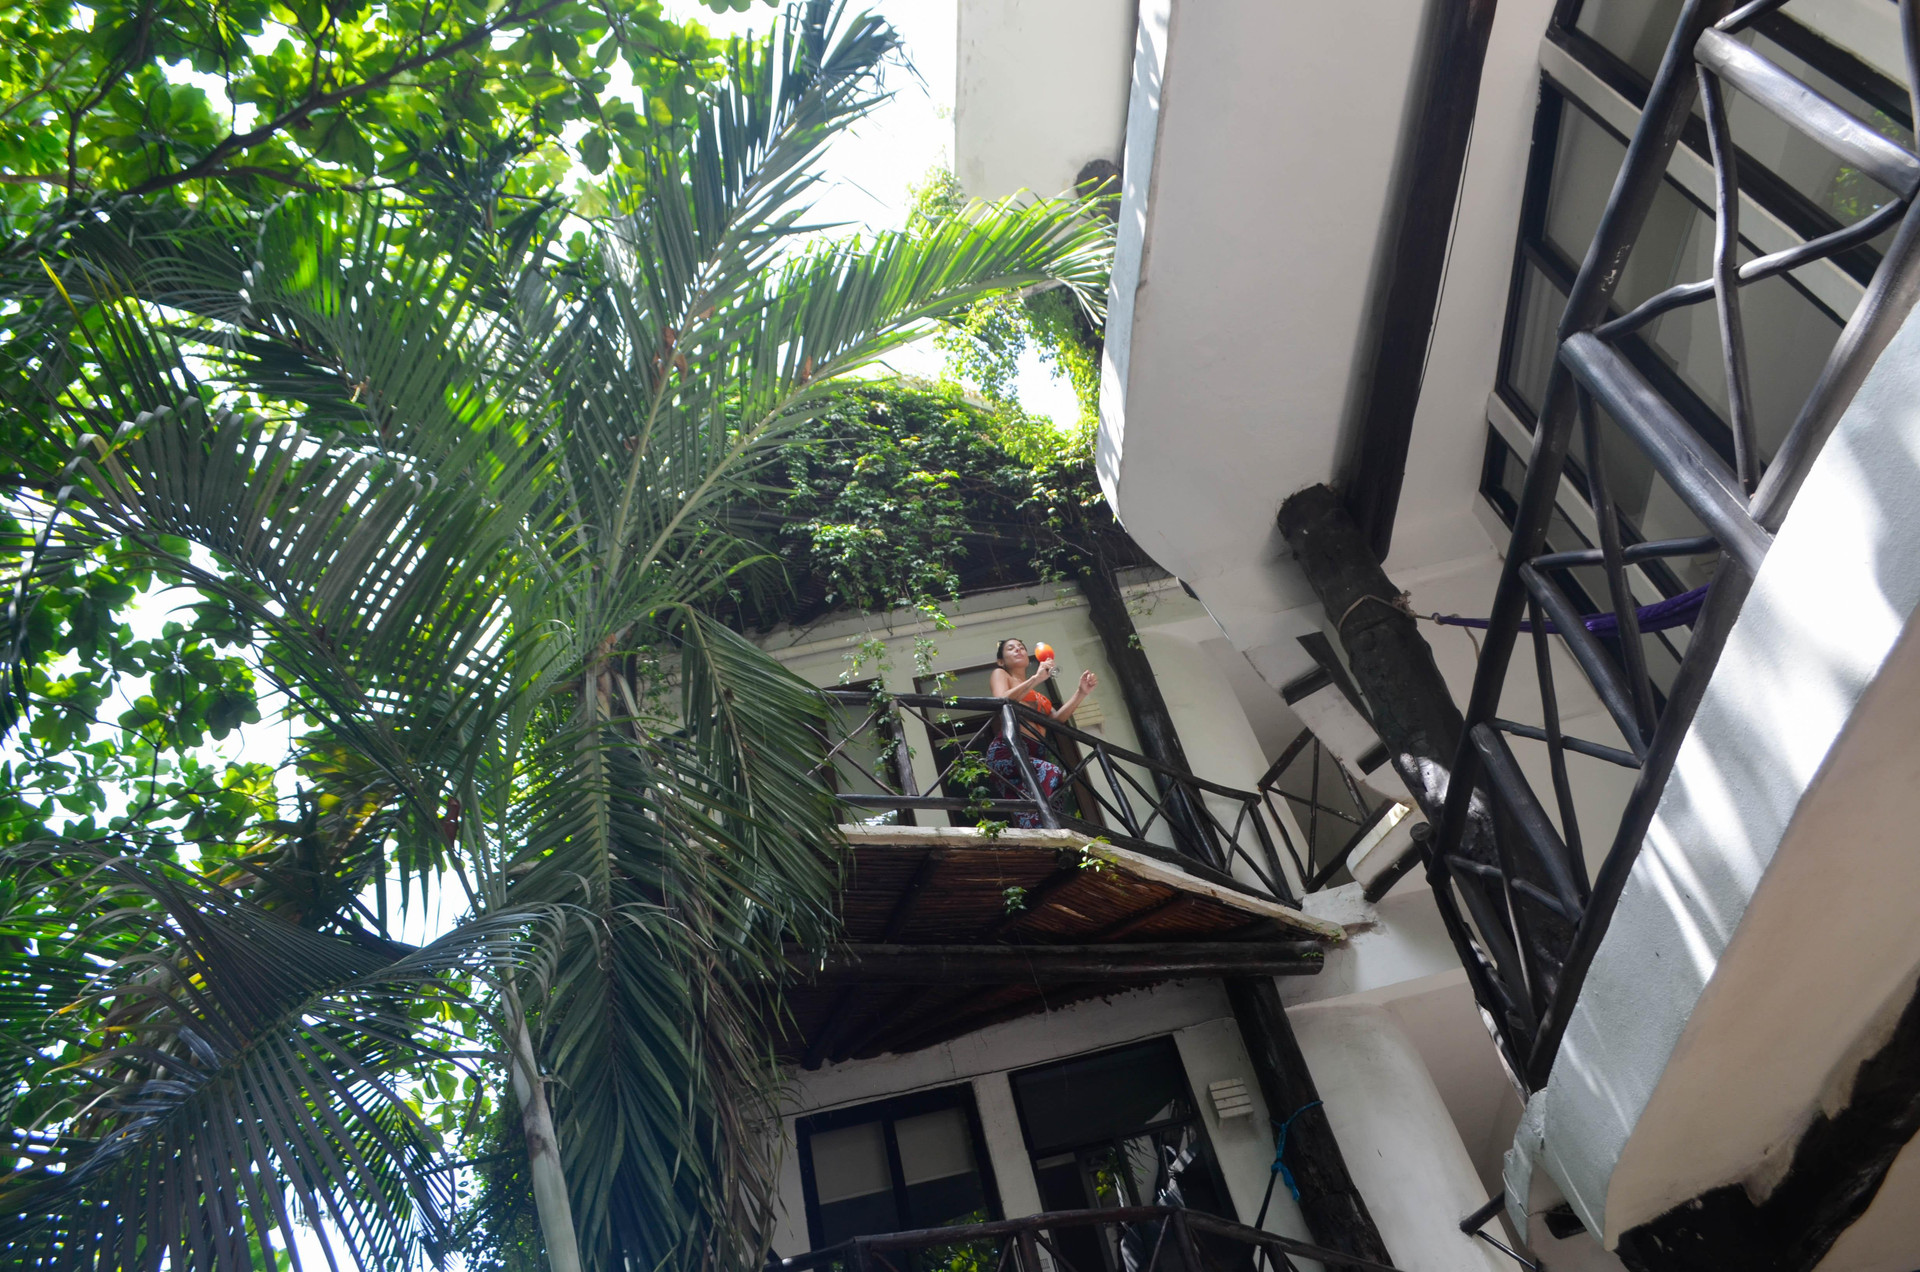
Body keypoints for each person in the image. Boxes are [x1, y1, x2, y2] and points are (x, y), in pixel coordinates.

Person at [984, 638, 1099, 828]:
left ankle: (1048, 830)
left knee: (1051, 793)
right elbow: (1001, 699)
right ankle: (1038, 830)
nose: (1018, 650)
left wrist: (1081, 692)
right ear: (1001, 661)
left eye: (1021, 647)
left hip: (1034, 753)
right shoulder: (1000, 674)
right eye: (1011, 648)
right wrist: (1036, 679)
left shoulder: (1039, 696)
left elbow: (1056, 720)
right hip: (1007, 751)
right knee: (1051, 773)